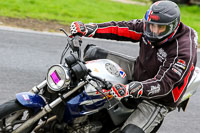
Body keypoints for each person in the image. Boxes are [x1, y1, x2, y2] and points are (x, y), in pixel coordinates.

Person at [70, 0, 198, 133]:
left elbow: (164, 84)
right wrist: (91, 29)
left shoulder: (182, 50)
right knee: (93, 53)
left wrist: (133, 88)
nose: (154, 31)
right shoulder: (149, 27)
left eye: (160, 28)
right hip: (139, 69)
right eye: (151, 25)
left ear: (173, 27)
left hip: (159, 99)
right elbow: (122, 29)